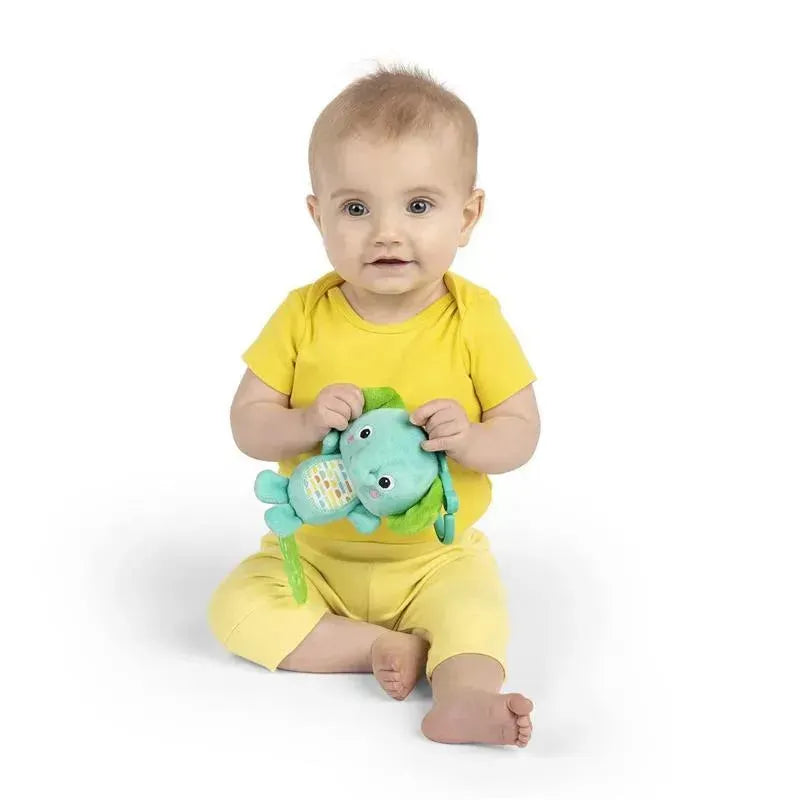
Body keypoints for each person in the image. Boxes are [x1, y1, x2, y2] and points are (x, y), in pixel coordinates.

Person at [209, 64, 540, 747]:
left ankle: (466, 699)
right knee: (235, 607)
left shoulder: (475, 320)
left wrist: (470, 439)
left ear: (467, 216)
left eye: (418, 206)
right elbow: (247, 423)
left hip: (435, 557)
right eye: (356, 209)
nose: (386, 233)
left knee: (474, 613)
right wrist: (302, 422)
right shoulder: (302, 315)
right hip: (315, 557)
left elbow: (521, 431)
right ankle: (372, 647)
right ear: (318, 215)